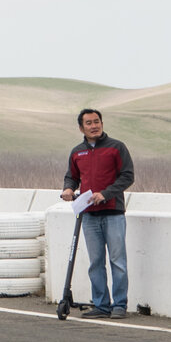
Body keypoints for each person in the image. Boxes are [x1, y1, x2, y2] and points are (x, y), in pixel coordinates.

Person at [60, 108, 136, 317]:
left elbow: (127, 176)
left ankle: (119, 305)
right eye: (89, 123)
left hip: (113, 213)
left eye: (97, 121)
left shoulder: (116, 148)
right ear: (81, 127)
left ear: (102, 123)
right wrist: (68, 188)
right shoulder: (77, 152)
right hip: (89, 215)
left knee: (117, 261)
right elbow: (72, 176)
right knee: (95, 262)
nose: (94, 126)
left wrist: (106, 193)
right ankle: (101, 305)